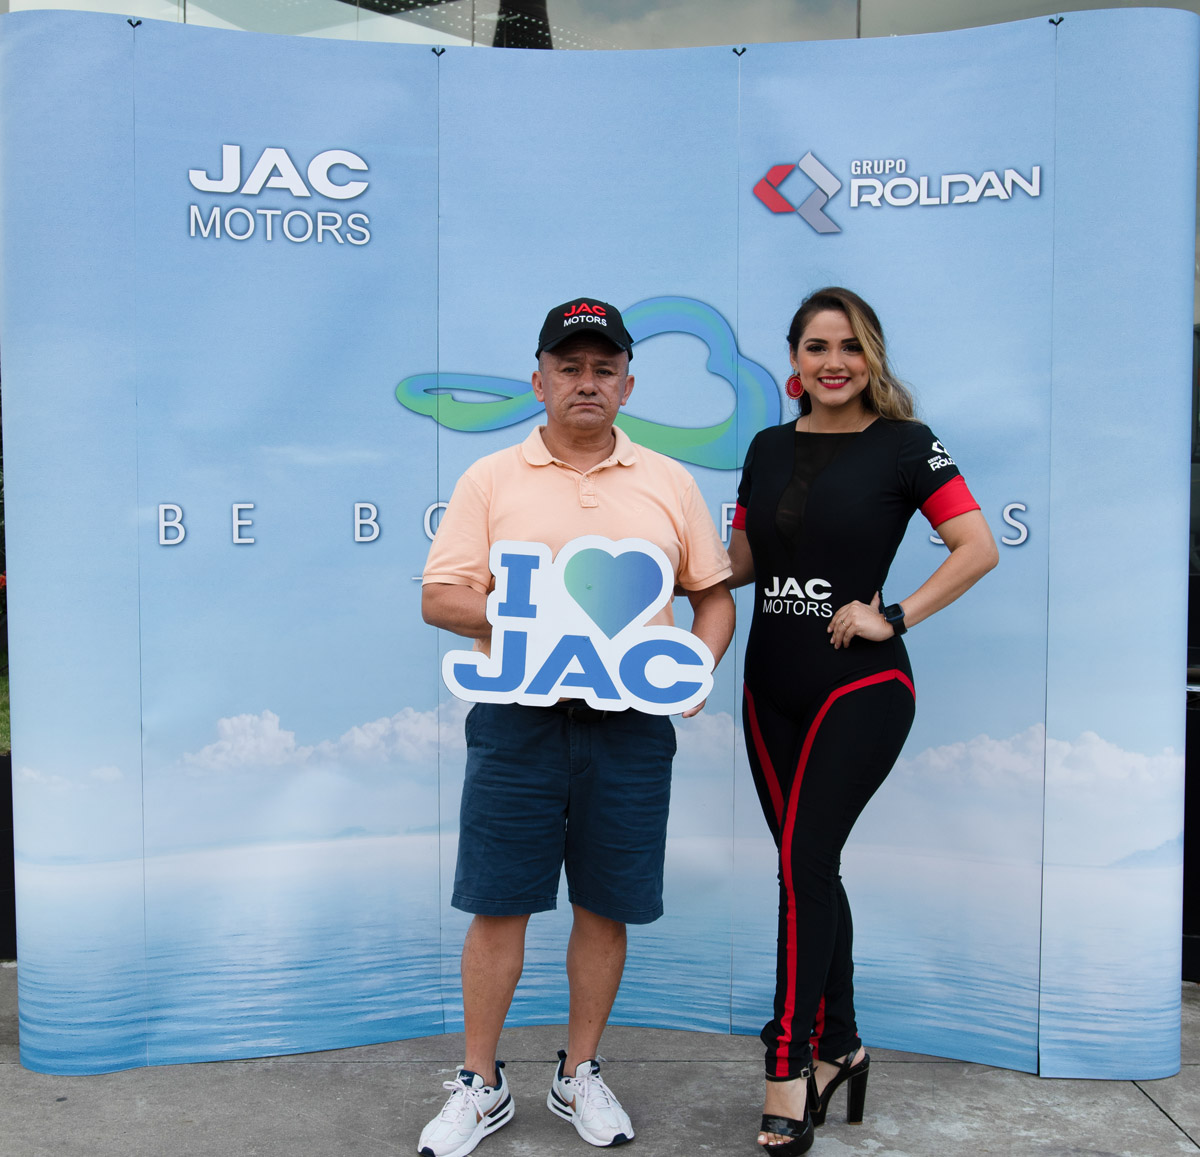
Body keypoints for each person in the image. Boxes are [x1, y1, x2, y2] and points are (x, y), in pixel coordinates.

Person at [418, 296, 735, 1156]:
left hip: (630, 726)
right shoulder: (491, 478)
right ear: (539, 381)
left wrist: (697, 664)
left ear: (628, 385)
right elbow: (440, 595)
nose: (586, 382)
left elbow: (712, 596)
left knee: (606, 903)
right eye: (569, 367)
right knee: (498, 903)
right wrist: (538, 620)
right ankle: (480, 1083)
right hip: (515, 721)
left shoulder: (670, 481)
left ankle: (579, 1072)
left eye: (604, 368)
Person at [727, 287, 998, 1155]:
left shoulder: (906, 445)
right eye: (816, 346)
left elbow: (978, 547)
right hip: (768, 689)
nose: (833, 361)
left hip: (860, 688)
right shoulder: (766, 448)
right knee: (808, 866)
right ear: (793, 359)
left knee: (802, 864)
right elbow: (738, 561)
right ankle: (840, 1045)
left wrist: (897, 615)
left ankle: (788, 1065)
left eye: (849, 346)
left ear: (870, 356)